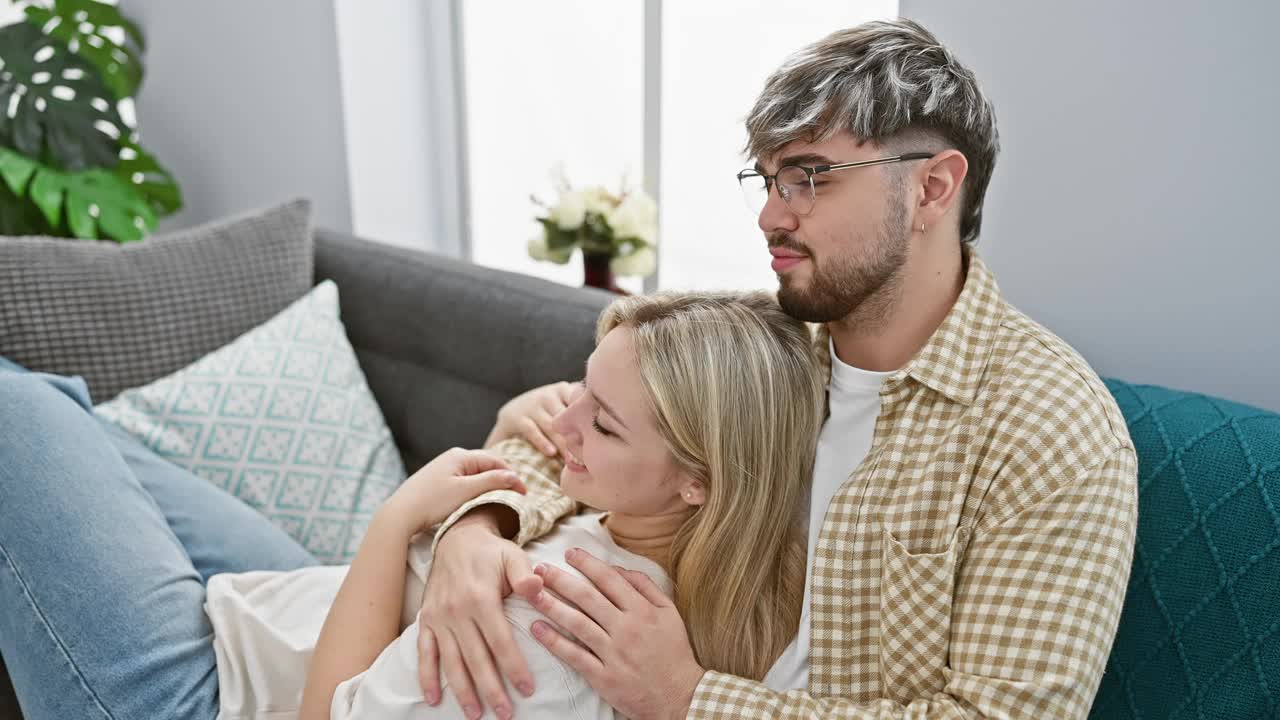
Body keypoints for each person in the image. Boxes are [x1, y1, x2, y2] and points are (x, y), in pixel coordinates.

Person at [415, 18, 1139, 720]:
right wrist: (478, 530)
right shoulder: (766, 343)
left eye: (809, 178)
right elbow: (576, 439)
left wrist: (687, 700)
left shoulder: (1051, 431)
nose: (769, 216)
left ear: (933, 189)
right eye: (766, 181)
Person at [0, 289, 826, 720]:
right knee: (89, 429)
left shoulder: (552, 627)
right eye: (581, 386)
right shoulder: (646, 521)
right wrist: (490, 490)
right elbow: (529, 461)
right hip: (287, 613)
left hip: (209, 694)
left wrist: (398, 520)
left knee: (18, 407)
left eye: (600, 424)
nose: (560, 419)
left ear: (700, 483)